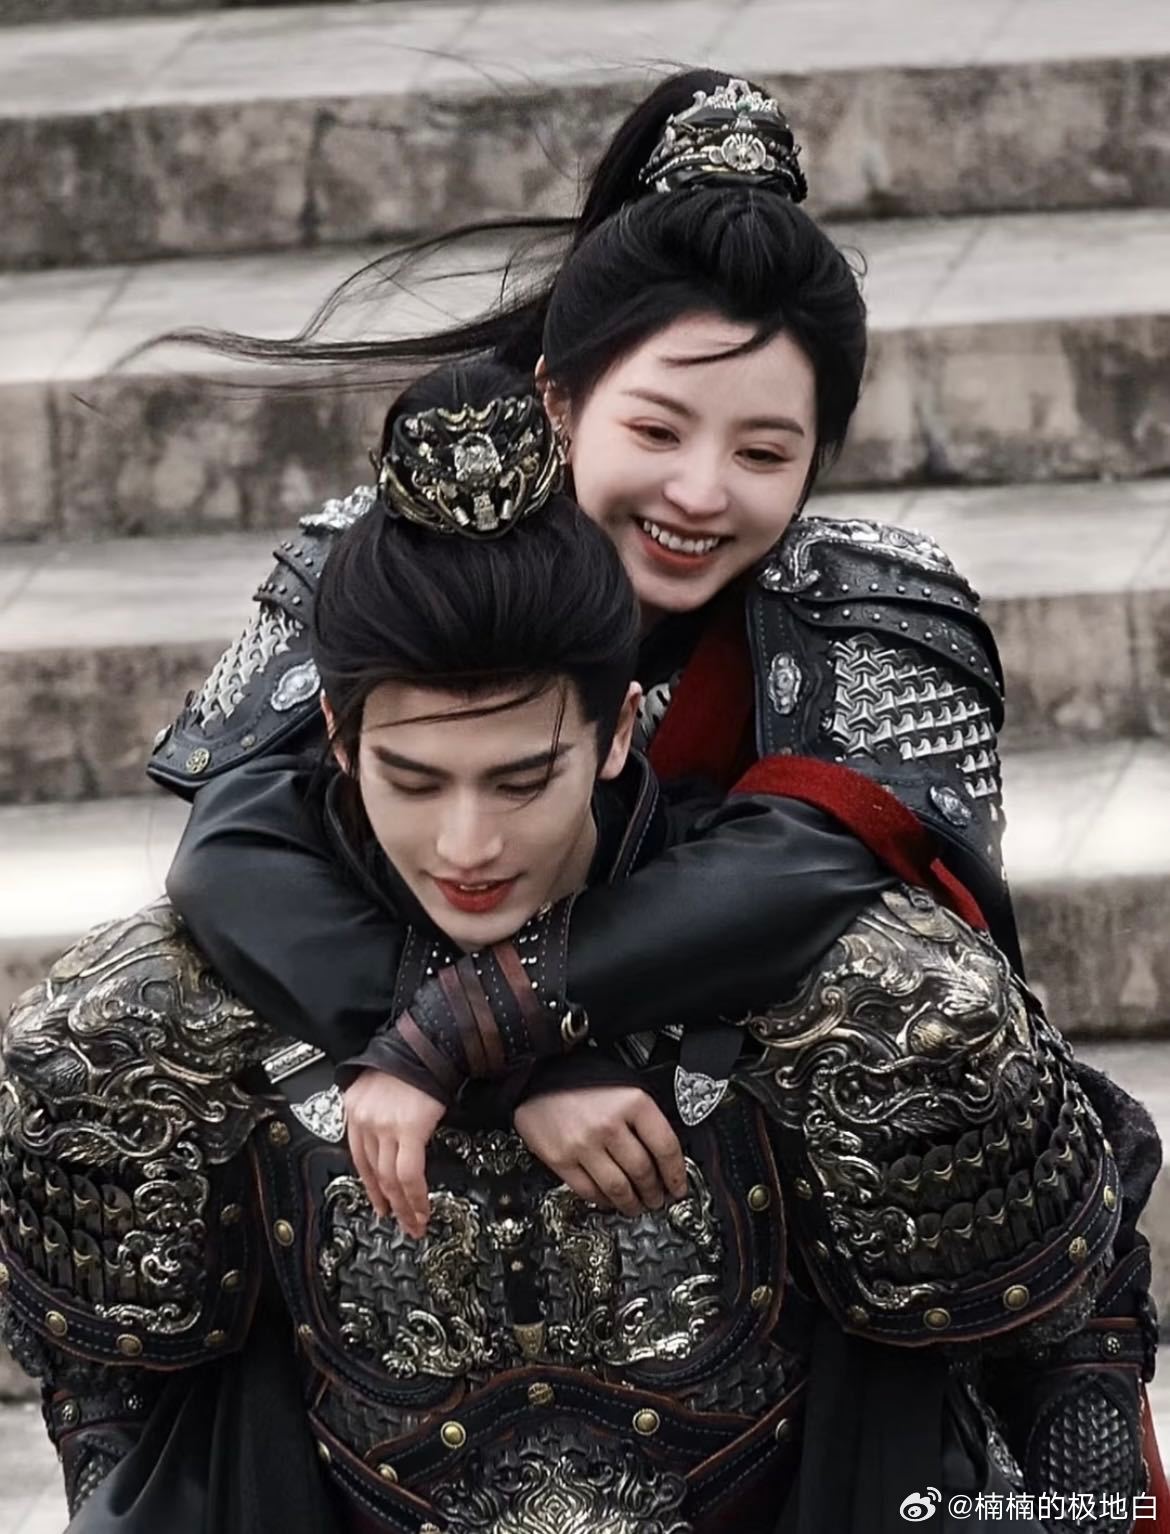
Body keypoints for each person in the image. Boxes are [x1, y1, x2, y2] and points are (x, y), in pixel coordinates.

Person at [142, 72, 1161, 1527]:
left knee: (926, 1014)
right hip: (385, 1200)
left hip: (778, 1208)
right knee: (112, 1030)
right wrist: (477, 1045)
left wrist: (482, 1022)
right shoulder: (386, 557)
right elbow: (235, 843)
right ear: (559, 400)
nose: (699, 491)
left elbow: (805, 863)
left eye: (762, 451)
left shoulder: (872, 603)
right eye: (659, 429)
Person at [0, 363, 1137, 1533]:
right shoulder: (161, 1019)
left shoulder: (862, 997)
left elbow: (1070, 1325)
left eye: (521, 779)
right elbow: (106, 1379)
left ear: (616, 731)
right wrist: (492, 1045)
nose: (468, 844)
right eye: (414, 779)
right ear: (335, 736)